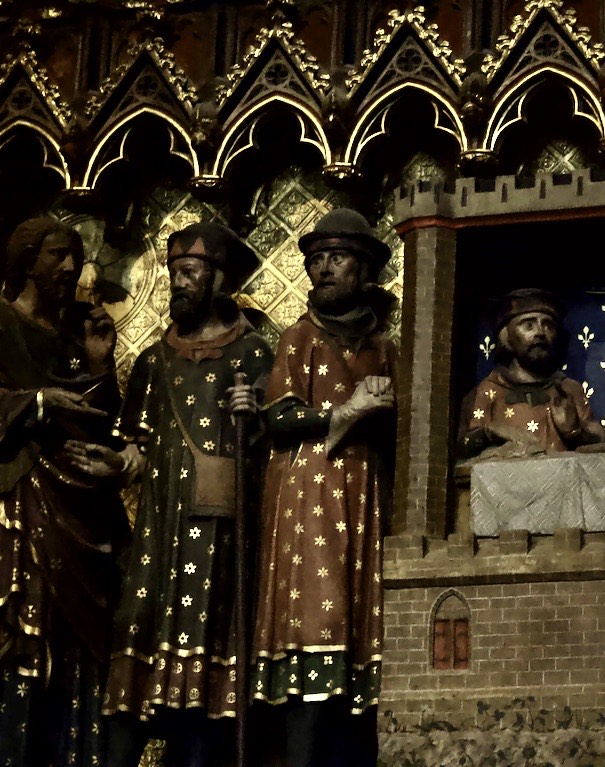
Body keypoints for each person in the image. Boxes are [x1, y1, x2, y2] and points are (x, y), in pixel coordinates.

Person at [0, 217, 128, 766]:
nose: (70, 268)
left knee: (72, 645)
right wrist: (39, 402)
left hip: (77, 505)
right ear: (27, 261)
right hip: (19, 497)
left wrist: (98, 364)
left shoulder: (74, 337)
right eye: (57, 255)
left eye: (74, 257)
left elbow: (96, 422)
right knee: (22, 631)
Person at [100, 222, 273, 767]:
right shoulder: (154, 361)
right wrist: (116, 461)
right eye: (174, 274)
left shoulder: (254, 354)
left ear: (218, 281)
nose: (179, 283)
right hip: (158, 527)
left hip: (219, 531)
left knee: (209, 637)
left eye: (190, 273)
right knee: (137, 629)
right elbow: (137, 447)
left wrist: (257, 415)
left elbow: (276, 446)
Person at [252, 208, 398, 767]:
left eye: (336, 259)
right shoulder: (299, 338)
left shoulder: (384, 346)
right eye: (315, 261)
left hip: (365, 493)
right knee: (317, 619)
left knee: (362, 634)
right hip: (308, 494)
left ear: (364, 270)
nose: (322, 269)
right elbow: (279, 421)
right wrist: (348, 408)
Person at [458, 288, 599, 460]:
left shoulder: (569, 390)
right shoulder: (486, 392)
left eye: (548, 325)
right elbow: (459, 449)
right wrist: (489, 433)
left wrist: (575, 432)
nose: (540, 332)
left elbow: (602, 446)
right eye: (528, 325)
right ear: (506, 337)